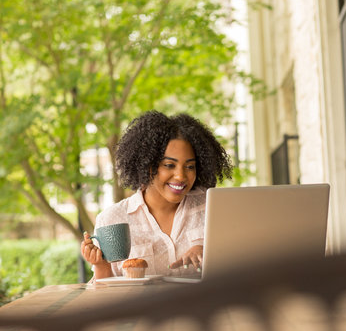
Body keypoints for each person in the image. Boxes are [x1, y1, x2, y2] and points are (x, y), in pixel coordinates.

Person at [80, 111, 233, 280]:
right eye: (169, 165)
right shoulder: (112, 220)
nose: (181, 176)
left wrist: (211, 253)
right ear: (148, 165)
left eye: (190, 166)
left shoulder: (211, 207)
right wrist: (101, 266)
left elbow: (242, 266)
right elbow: (107, 297)